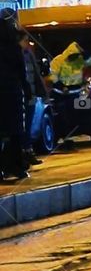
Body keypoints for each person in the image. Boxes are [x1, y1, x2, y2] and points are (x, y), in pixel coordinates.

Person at [0, 16, 30, 180]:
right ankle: (15, 166)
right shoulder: (13, 48)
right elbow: (22, 72)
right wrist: (27, 90)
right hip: (12, 93)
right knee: (15, 132)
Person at [19, 30, 46, 164]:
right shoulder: (15, 55)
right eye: (25, 40)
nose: (27, 43)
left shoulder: (28, 54)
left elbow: (35, 74)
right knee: (22, 126)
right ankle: (23, 154)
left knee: (28, 125)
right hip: (20, 96)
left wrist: (42, 93)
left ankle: (28, 152)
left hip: (30, 95)